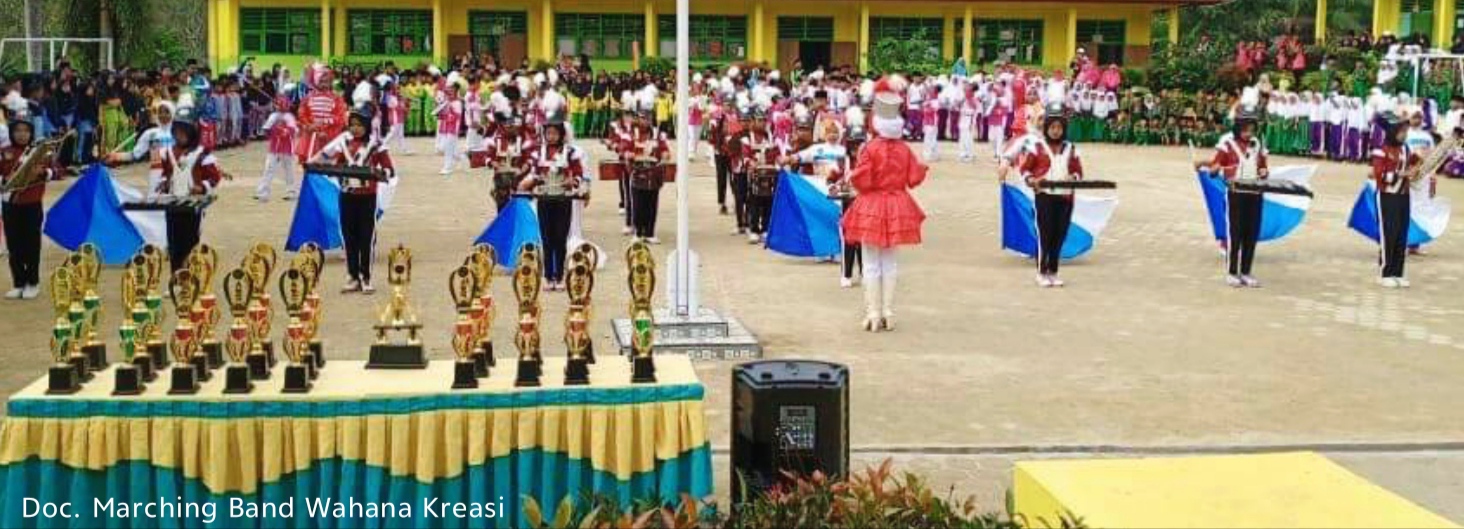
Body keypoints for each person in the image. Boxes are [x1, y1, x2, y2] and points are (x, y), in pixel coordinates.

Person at [842, 76, 926, 332]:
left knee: (870, 263)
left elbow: (863, 180)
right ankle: (889, 311)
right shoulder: (904, 149)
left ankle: (873, 313)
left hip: (871, 206)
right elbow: (914, 178)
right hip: (897, 204)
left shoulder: (869, 148)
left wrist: (851, 176)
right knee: (890, 262)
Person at [310, 107, 396, 294]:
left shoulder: (376, 144)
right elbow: (330, 158)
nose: (355, 128)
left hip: (367, 197)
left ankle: (366, 277)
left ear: (366, 125)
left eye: (359, 125)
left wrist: (380, 174)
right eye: (352, 125)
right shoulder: (343, 142)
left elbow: (389, 168)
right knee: (349, 238)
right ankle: (352, 276)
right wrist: (313, 164)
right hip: (347, 196)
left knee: (366, 237)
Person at [1202, 88, 1269, 288]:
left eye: (1252, 128)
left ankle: (1247, 272)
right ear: (1238, 127)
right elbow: (1217, 164)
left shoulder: (1257, 143)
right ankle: (1232, 272)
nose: (1249, 133)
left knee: (1252, 233)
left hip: (1255, 193)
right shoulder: (1227, 143)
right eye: (1246, 128)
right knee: (1236, 232)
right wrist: (1213, 170)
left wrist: (1264, 172)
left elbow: (1263, 165)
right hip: (1236, 193)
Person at [1019, 91, 1085, 288]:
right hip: (1045, 197)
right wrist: (1032, 180)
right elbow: (1025, 170)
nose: (1056, 131)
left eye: (1059, 127)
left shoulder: (1071, 148)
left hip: (1064, 198)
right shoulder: (1037, 147)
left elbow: (1078, 171)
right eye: (1052, 127)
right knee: (1045, 234)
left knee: (1059, 235)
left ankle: (1053, 272)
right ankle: (1041, 271)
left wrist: (1073, 178)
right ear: (1046, 127)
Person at [152, 108, 225, 271]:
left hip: (192, 205)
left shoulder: (202, 153)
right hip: (172, 203)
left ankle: (190, 277)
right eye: (177, 132)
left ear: (192, 132)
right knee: (173, 242)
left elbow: (214, 177)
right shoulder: (168, 152)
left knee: (190, 242)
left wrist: (202, 187)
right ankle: (176, 278)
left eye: (184, 132)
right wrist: (164, 183)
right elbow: (166, 173)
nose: (180, 135)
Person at [786, 112, 854, 284]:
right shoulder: (816, 149)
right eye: (829, 132)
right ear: (824, 133)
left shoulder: (844, 151)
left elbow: (848, 170)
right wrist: (786, 160)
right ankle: (823, 251)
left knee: (837, 220)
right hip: (818, 189)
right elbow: (799, 157)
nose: (832, 135)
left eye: (835, 132)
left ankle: (837, 251)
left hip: (837, 190)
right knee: (820, 220)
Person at [520, 119, 585, 290]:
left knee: (560, 239)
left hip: (563, 200)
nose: (551, 136)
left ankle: (560, 276)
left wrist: (573, 181)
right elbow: (533, 173)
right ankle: (548, 277)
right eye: (548, 133)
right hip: (544, 200)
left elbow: (579, 173)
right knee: (546, 239)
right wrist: (533, 181)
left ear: (561, 135)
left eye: (555, 133)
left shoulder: (571, 153)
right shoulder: (537, 153)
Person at [0, 119, 52, 299]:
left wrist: (43, 173)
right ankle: (19, 283)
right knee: (14, 245)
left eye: (26, 131)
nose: (22, 134)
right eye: (17, 131)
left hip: (32, 204)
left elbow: (55, 171)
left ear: (31, 133)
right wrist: (5, 182)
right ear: (11, 133)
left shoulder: (39, 153)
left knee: (31, 244)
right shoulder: (4, 152)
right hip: (10, 204)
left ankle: (32, 282)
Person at [1373, 112, 1421, 288]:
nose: (1405, 134)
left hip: (1404, 196)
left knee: (1402, 235)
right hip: (1387, 196)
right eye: (1402, 131)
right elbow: (1379, 175)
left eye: (1406, 131)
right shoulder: (1381, 149)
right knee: (1389, 234)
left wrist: (1420, 165)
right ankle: (1385, 273)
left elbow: (1416, 164)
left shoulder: (1406, 149)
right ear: (1393, 131)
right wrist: (1401, 174)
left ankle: (1398, 273)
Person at [618, 106, 669, 243]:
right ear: (638, 119)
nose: (646, 121)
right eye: (643, 118)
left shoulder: (657, 133)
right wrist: (627, 153)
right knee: (638, 204)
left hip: (654, 172)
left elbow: (664, 148)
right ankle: (638, 233)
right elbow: (623, 147)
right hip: (638, 171)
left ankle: (650, 233)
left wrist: (665, 154)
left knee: (652, 203)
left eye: (648, 118)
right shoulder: (630, 133)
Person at [114, 100, 178, 196]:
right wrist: (115, 157)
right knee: (155, 205)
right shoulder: (151, 134)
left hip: (176, 178)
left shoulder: (180, 133)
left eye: (167, 112)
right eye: (160, 112)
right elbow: (135, 154)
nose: (163, 115)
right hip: (156, 179)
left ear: (173, 113)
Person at [256, 93, 299, 202]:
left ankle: (291, 192)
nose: (280, 106)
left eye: (282, 104)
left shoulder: (290, 117)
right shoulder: (273, 116)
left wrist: (283, 130)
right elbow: (266, 129)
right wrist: (274, 129)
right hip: (274, 147)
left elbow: (293, 131)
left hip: (287, 147)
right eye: (279, 104)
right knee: (269, 169)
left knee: (289, 170)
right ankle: (263, 192)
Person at [435, 80, 465, 175]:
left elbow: (457, 116)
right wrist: (439, 113)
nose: (449, 90)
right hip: (445, 127)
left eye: (451, 89)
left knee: (448, 148)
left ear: (456, 90)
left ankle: (447, 168)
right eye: (449, 89)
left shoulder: (457, 102)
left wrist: (448, 112)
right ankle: (459, 156)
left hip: (453, 128)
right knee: (442, 147)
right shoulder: (447, 100)